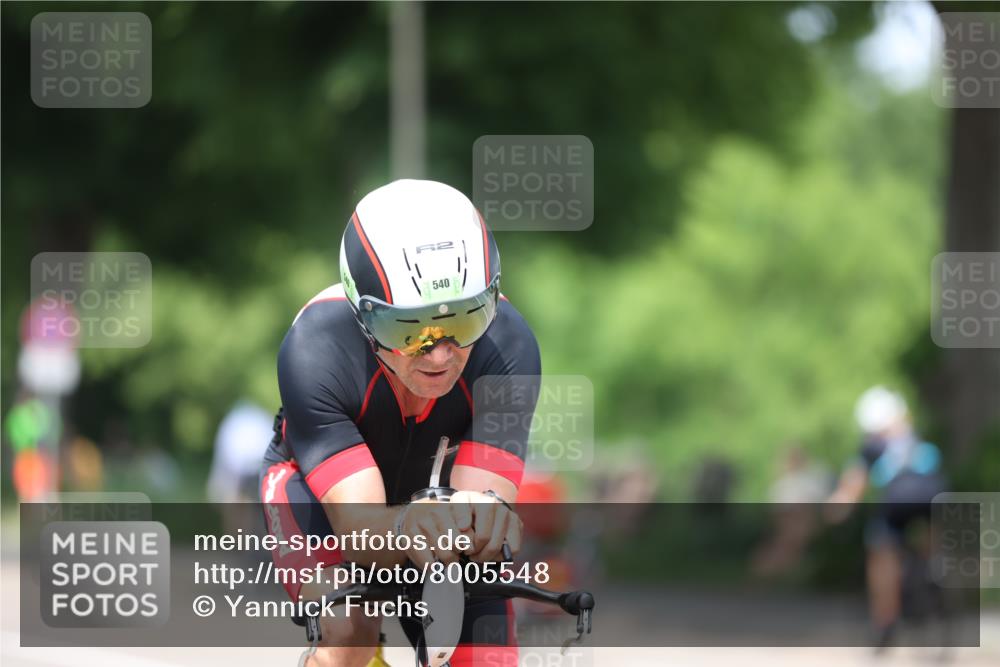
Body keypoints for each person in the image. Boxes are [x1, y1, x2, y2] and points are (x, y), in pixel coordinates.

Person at [259, 180, 539, 667]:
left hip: (433, 501)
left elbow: (484, 526)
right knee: (351, 630)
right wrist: (416, 526)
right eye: (409, 329)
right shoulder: (315, 349)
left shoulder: (508, 347)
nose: (440, 354)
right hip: (324, 501)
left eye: (465, 320)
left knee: (487, 654)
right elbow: (360, 531)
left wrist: (489, 523)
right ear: (363, 315)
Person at [826, 386, 947, 650]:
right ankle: (936, 569)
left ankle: (885, 621)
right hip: (932, 494)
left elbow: (854, 483)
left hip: (897, 501)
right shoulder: (916, 438)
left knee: (881, 548)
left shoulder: (874, 445)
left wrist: (840, 504)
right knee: (932, 529)